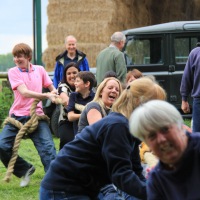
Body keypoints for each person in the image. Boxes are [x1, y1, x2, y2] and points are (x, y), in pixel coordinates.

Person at [39, 77, 166, 200]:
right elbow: (121, 175)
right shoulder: (118, 126)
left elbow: (135, 170)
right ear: (139, 102)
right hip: (63, 188)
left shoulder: (129, 128)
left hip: (83, 186)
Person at [0, 43, 57, 187]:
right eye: (15, 56)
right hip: (16, 117)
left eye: (20, 56)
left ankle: (54, 180)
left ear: (28, 57)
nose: (16, 59)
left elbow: (51, 87)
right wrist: (46, 95)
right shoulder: (13, 72)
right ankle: (25, 169)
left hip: (36, 116)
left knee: (48, 149)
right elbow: (24, 92)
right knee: (2, 145)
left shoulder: (40, 70)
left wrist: (55, 93)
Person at [129, 100, 200, 200]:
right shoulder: (157, 180)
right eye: (152, 136)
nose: (161, 139)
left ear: (180, 127)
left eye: (165, 129)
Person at [57, 62, 80, 150]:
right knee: (68, 142)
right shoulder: (62, 86)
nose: (72, 76)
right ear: (65, 76)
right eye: (68, 73)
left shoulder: (85, 86)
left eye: (74, 73)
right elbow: (65, 99)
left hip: (81, 121)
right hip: (66, 121)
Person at [180, 44, 200, 132]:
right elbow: (187, 77)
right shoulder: (196, 53)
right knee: (198, 135)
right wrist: (184, 99)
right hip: (199, 101)